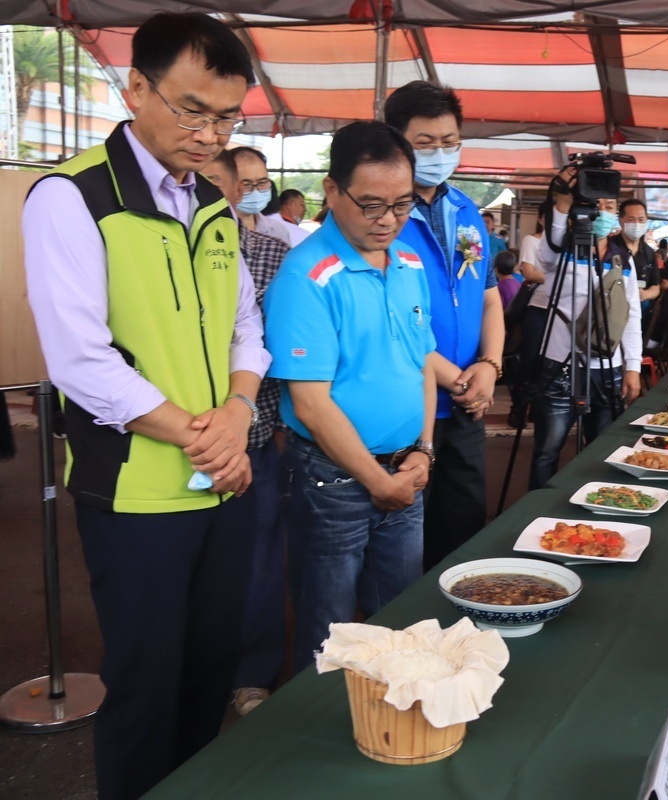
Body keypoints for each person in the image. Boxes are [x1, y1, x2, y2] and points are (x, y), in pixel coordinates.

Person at [22, 14, 267, 798]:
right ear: (135, 87)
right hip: (134, 493)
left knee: (207, 681)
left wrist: (238, 413)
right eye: (193, 110)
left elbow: (247, 330)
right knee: (143, 691)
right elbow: (80, 360)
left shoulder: (215, 208)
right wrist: (204, 437)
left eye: (227, 117)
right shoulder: (72, 197)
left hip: (224, 486)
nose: (209, 135)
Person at [264, 121, 436, 672]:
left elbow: (421, 366)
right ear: (331, 191)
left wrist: (424, 450)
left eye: (402, 205)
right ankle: (315, 740)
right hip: (334, 481)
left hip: (406, 469)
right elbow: (311, 405)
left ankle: (390, 733)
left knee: (400, 617)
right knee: (331, 631)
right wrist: (377, 481)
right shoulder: (307, 278)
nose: (388, 220)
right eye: (371, 205)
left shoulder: (408, 262)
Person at [384, 81, 503, 570]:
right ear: (396, 142)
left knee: (463, 532)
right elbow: (386, 317)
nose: (440, 153)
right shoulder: (381, 215)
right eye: (425, 143)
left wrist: (490, 366)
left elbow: (490, 298)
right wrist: (455, 379)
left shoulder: (466, 211)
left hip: (466, 406)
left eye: (450, 142)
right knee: (403, 545)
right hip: (409, 404)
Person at [200, 150, 290, 716]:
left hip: (252, 436)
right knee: (189, 563)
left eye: (216, 180)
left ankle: (251, 674)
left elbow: (270, 348)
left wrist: (267, 424)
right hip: (179, 435)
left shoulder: (273, 257)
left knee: (259, 560)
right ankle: (196, 670)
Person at [527, 180, 642, 490]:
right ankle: (537, 513)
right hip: (560, 365)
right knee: (547, 451)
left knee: (601, 452)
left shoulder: (623, 260)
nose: (603, 213)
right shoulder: (558, 250)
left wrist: (633, 367)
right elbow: (550, 243)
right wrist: (562, 202)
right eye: (596, 207)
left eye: (609, 208)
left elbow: (631, 316)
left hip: (608, 369)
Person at [227, 146, 293, 246]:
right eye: (246, 184)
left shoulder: (277, 231)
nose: (256, 191)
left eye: (262, 183)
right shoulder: (215, 229)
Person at [610, 198, 661, 304]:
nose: (637, 224)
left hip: (640, 308)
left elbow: (655, 287)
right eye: (631, 219)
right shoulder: (609, 247)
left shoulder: (649, 253)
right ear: (621, 221)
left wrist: (646, 294)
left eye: (641, 220)